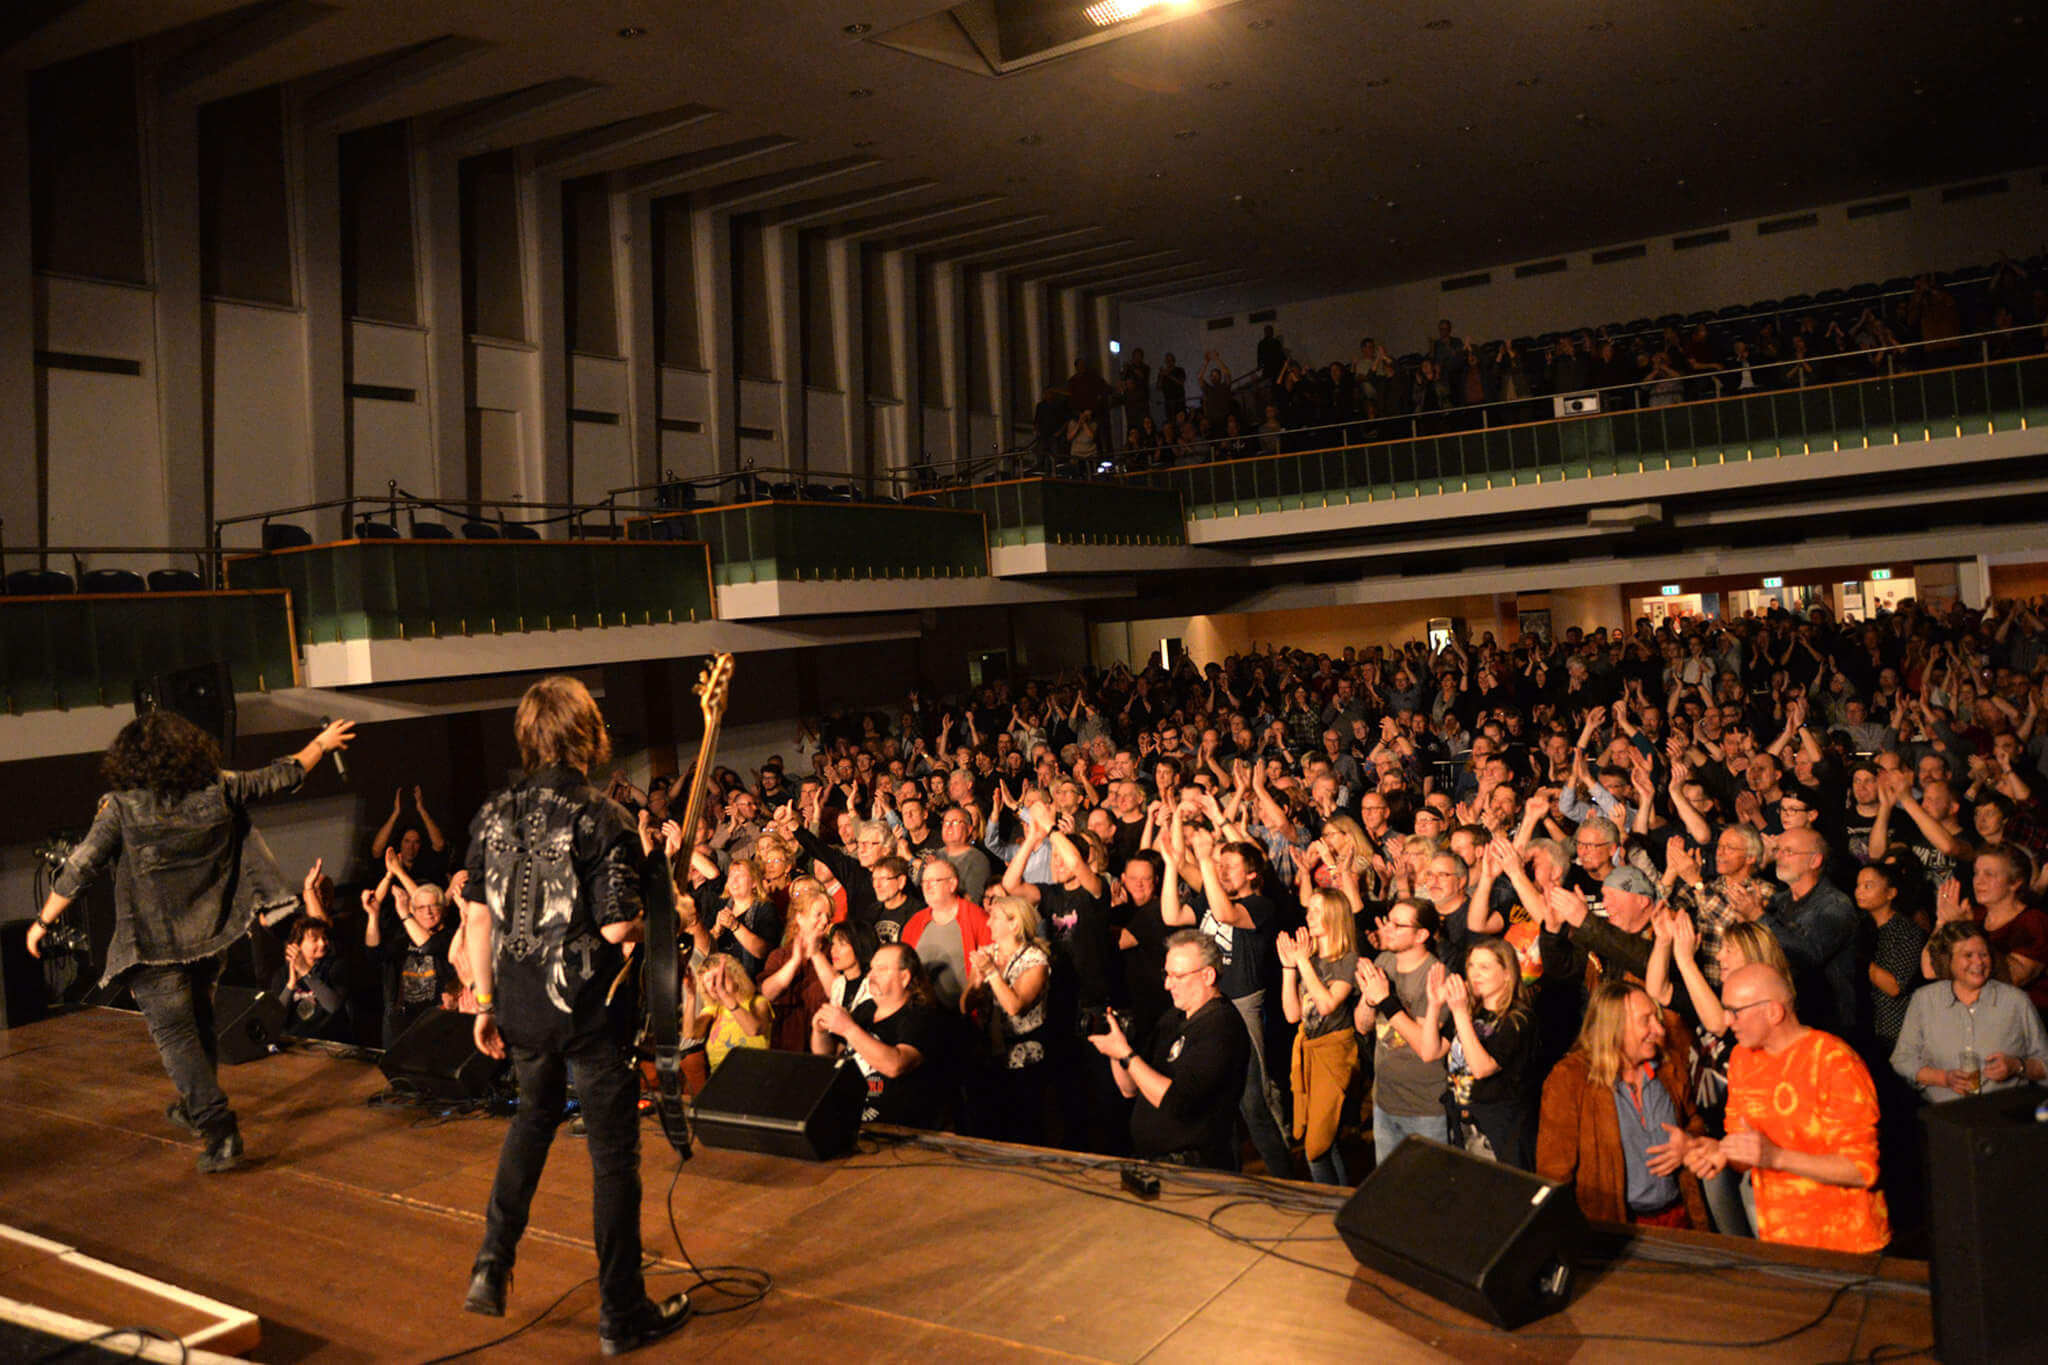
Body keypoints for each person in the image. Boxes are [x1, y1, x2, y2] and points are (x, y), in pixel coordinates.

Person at [458, 676, 689, 1356]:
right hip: (587, 1013)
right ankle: (621, 1312)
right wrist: (661, 903)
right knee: (613, 1158)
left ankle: (491, 1263)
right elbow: (618, 929)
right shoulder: (602, 815)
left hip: (522, 1006)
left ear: (530, 738)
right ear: (588, 736)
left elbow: (475, 914)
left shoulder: (492, 813)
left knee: (531, 1120)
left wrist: (484, 999)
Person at [29, 711, 354, 1174]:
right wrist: (322, 743)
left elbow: (81, 867)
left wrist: (42, 922)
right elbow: (280, 774)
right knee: (198, 1023)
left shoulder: (122, 808)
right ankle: (193, 1102)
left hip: (152, 947)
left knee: (176, 1037)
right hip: (210, 938)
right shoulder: (218, 789)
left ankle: (218, 1128)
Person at [1681, 964, 1890, 1254]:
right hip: (1782, 1241)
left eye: (1735, 1011)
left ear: (1774, 1012)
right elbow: (1744, 1144)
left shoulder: (1834, 1061)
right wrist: (1719, 1152)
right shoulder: (1743, 1058)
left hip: (1847, 1245)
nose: (1727, 1021)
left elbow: (1861, 1169)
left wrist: (1776, 1157)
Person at [1536, 980, 1709, 1228]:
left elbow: (1694, 1120)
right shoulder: (1570, 1079)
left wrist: (1690, 1142)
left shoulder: (1669, 1067)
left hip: (1680, 1220)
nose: (1659, 1029)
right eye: (1645, 1020)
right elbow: (1554, 1172)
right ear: (1613, 1028)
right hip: (1614, 1230)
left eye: (1656, 1019)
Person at [1087, 929, 1251, 1170]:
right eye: (1167, 974)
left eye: (1177, 976)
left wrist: (1126, 1054)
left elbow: (1177, 1103)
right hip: (1154, 1163)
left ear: (1207, 976)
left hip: (1196, 1169)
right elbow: (1129, 1088)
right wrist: (1116, 1051)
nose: (1167, 984)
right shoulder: (1173, 1017)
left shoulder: (1221, 1027)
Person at [1892, 922, 2048, 1102]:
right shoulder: (1925, 1000)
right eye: (1968, 955)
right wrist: (1944, 1078)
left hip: (2004, 1116)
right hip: (1944, 1116)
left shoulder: (2016, 1001)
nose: (1979, 962)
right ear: (1948, 960)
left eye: (1984, 954)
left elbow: (2045, 1063)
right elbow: (1902, 1059)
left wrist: (2018, 1066)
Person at [1353, 898, 1451, 1163]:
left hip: (1423, 1109)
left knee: (1427, 1194)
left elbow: (1424, 1047)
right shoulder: (1384, 960)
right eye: (1389, 922)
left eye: (1398, 925)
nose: (1388, 929)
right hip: (1384, 1100)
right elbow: (1362, 1026)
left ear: (1421, 935)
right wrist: (1369, 998)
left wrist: (1385, 999)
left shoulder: (1434, 974)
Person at [811, 941, 946, 1130]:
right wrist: (820, 1031)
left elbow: (896, 1065)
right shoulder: (865, 1009)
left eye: (881, 969)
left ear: (905, 977)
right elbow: (829, 1055)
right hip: (857, 1126)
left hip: (903, 1134)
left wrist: (848, 1028)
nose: (871, 976)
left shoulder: (922, 1016)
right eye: (871, 968)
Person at [1277, 890, 1359, 1185]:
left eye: (1315, 910)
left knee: (1317, 1145)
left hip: (1334, 1053)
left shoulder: (1348, 960)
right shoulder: (1307, 958)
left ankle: (1328, 1205)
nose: (1308, 916)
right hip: (1309, 1048)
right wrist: (1289, 966)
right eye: (1308, 910)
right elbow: (1291, 1014)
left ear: (1334, 916)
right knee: (1324, 1140)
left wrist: (1302, 963)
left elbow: (1326, 1005)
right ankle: (1339, 1202)